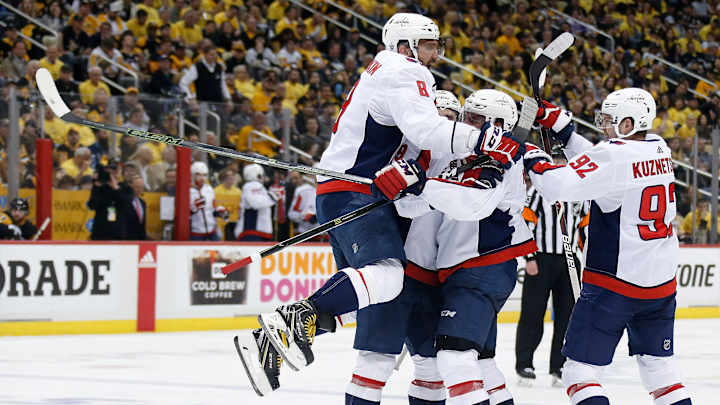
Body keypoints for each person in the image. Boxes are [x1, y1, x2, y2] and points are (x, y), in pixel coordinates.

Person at [249, 13, 525, 388]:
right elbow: (425, 130)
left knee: (369, 292)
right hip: (356, 190)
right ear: (405, 46)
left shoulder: (386, 71)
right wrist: (484, 141)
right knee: (388, 277)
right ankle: (293, 319)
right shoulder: (405, 71)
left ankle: (278, 337)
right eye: (428, 46)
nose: (435, 55)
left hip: (350, 192)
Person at [523, 88, 693, 405]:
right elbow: (603, 162)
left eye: (610, 120)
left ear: (628, 124)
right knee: (661, 372)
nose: (604, 125)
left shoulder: (614, 156)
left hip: (615, 284)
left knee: (579, 374)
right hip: (660, 284)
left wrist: (530, 154)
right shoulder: (659, 147)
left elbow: (558, 185)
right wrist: (562, 128)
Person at [515, 182, 587, 386]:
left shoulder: (580, 191)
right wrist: (529, 257)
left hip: (570, 260)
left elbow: (584, 226)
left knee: (567, 316)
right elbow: (526, 221)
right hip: (541, 259)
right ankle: (524, 364)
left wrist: (588, 258)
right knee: (532, 313)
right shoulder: (539, 190)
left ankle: (560, 365)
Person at [87, 159, 133, 240]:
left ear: (120, 171)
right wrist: (96, 187)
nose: (112, 173)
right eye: (109, 170)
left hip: (118, 231)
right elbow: (92, 205)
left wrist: (116, 188)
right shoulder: (101, 187)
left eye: (114, 170)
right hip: (100, 231)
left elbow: (127, 204)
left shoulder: (126, 188)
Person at [234, 163, 277, 241]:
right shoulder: (251, 185)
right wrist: (272, 198)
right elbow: (256, 203)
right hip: (252, 229)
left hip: (258, 229)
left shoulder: (254, 186)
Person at [189, 161, 226, 241]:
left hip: (212, 231)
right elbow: (184, 213)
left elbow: (212, 208)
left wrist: (219, 211)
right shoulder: (188, 190)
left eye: (205, 175)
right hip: (196, 232)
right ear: (192, 175)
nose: (202, 178)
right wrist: (194, 207)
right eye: (198, 175)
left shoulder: (209, 189)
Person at [125, 174, 147, 240]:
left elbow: (142, 224)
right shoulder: (125, 201)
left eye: (141, 187)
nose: (139, 190)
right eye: (137, 187)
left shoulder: (142, 203)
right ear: (130, 186)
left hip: (139, 240)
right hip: (126, 239)